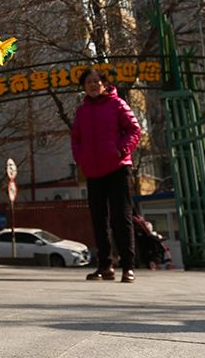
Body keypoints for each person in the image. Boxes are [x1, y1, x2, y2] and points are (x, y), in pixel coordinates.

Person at [70, 68, 142, 283]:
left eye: (96, 81)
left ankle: (128, 267)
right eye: (88, 82)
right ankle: (105, 266)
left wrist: (121, 150)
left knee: (121, 217)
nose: (92, 85)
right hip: (93, 171)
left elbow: (134, 129)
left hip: (117, 169)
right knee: (99, 219)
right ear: (84, 87)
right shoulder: (82, 111)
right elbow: (76, 138)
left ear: (104, 84)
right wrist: (80, 158)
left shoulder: (117, 104)